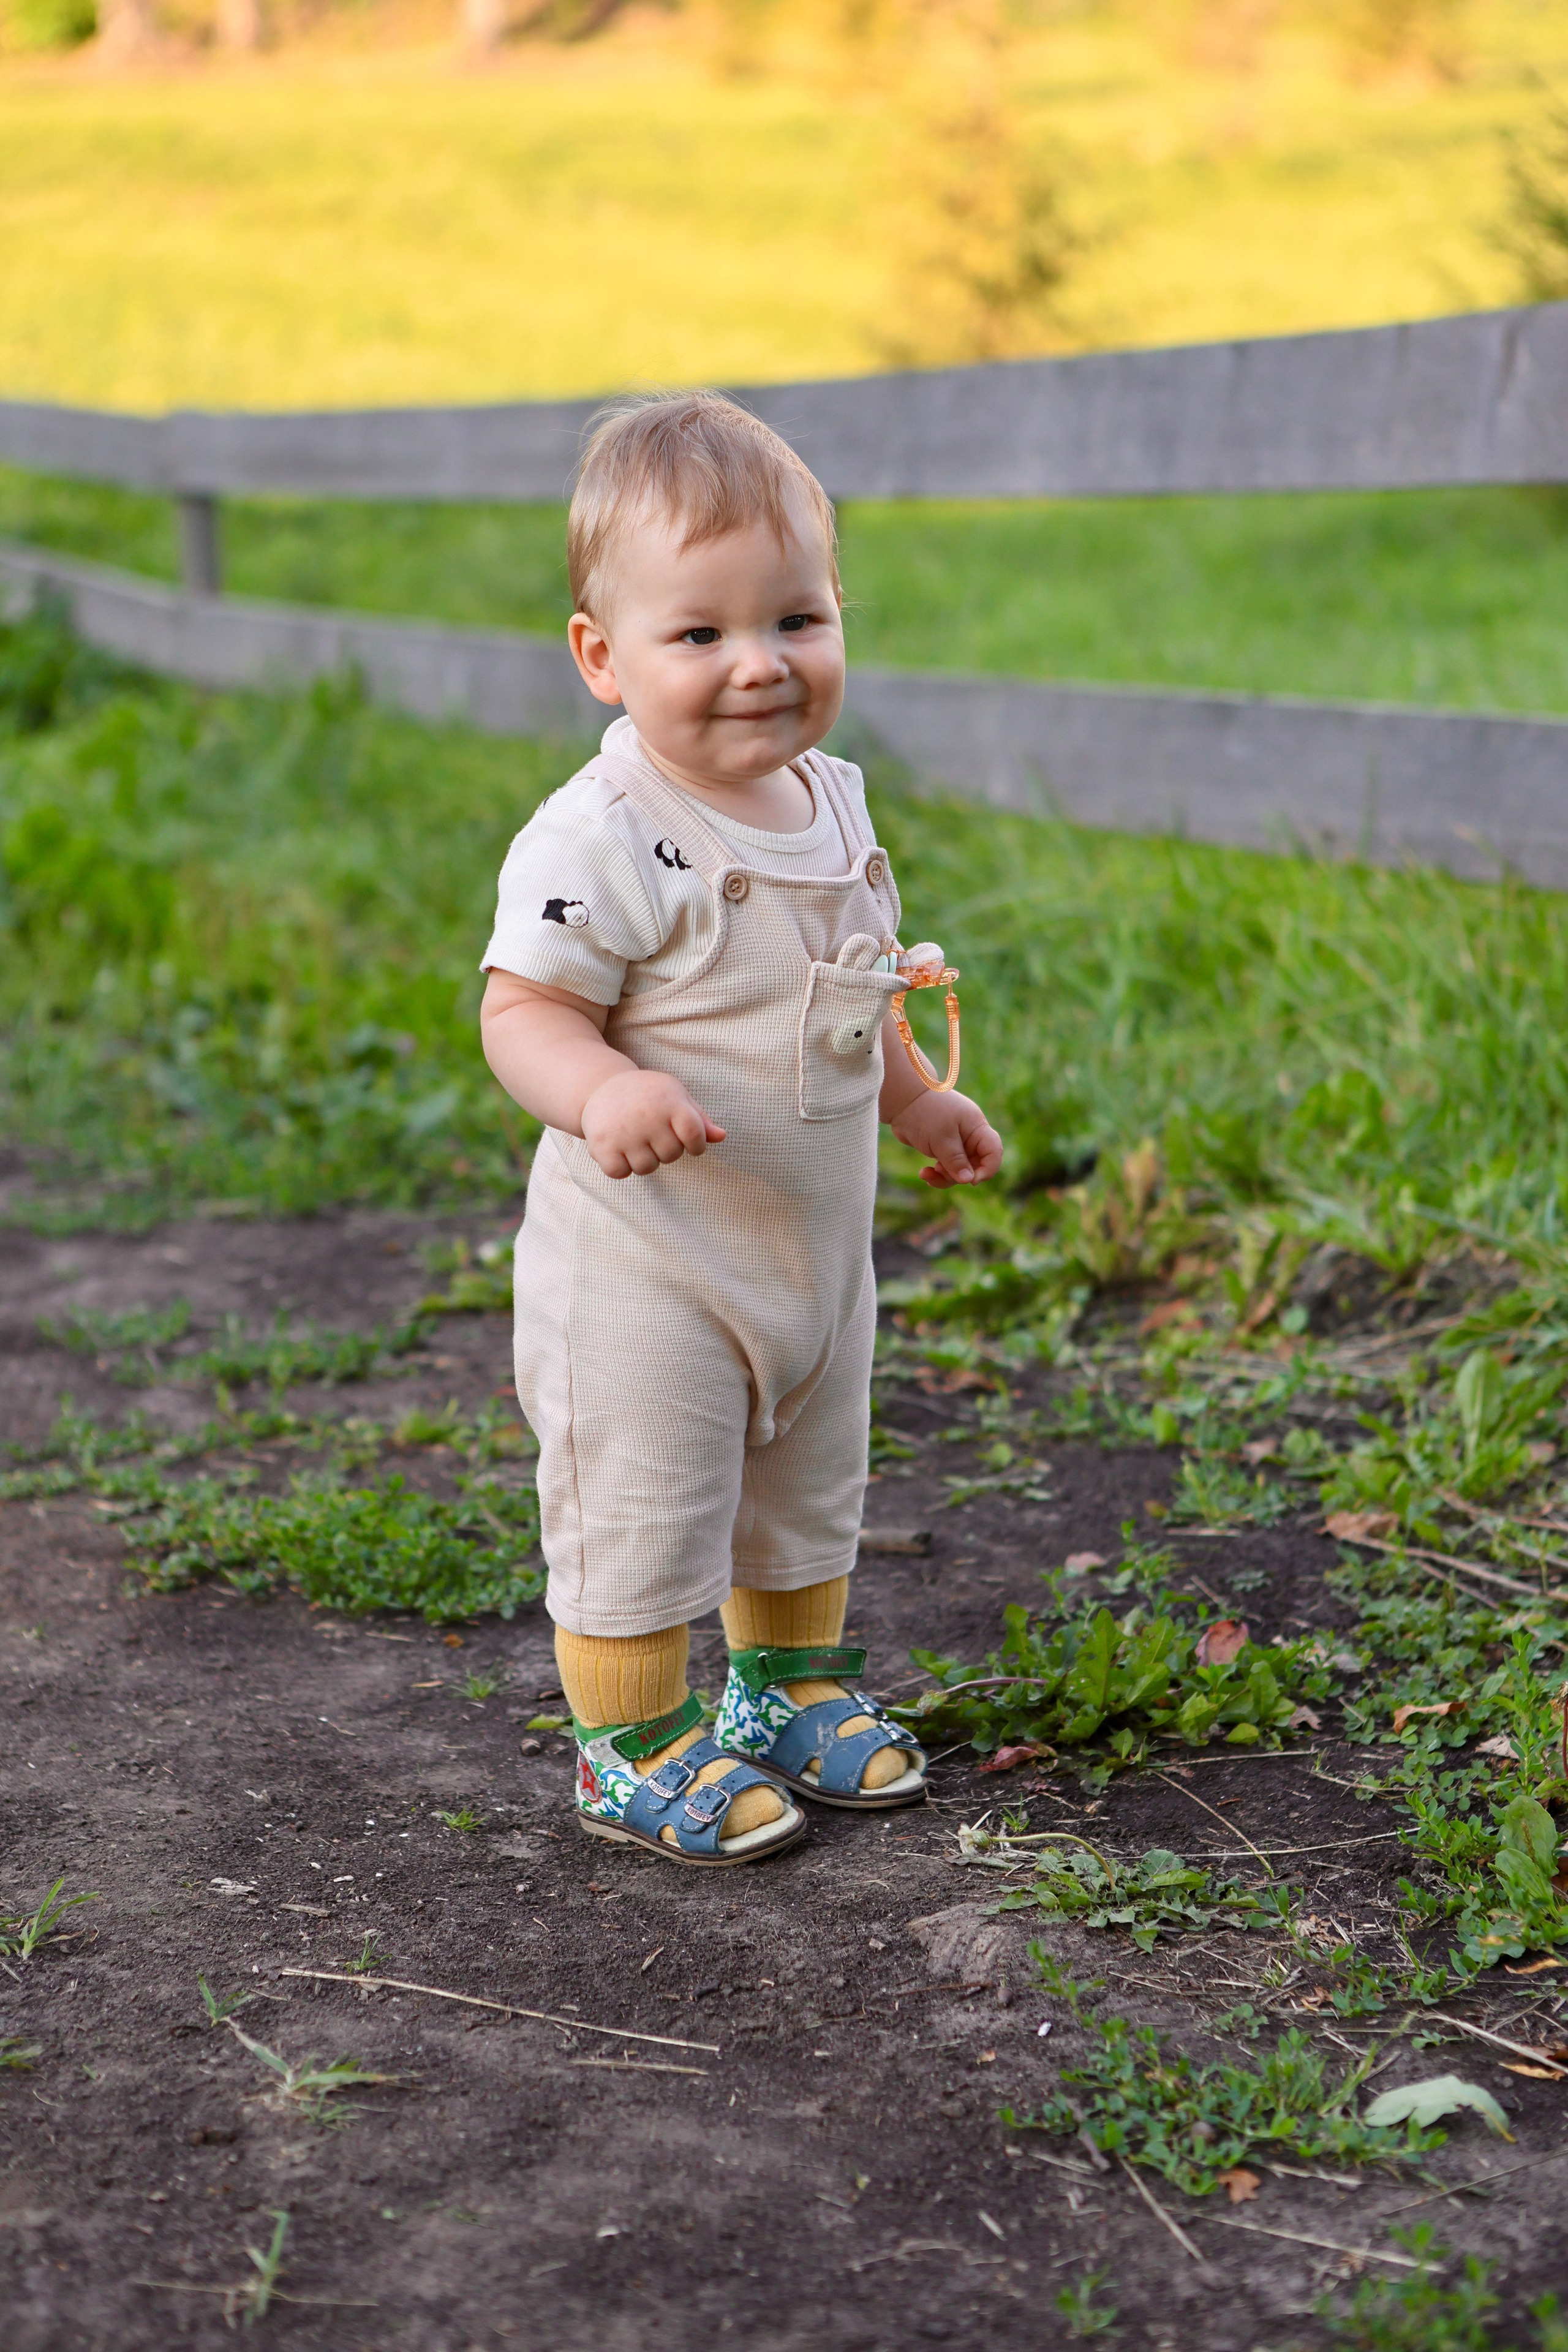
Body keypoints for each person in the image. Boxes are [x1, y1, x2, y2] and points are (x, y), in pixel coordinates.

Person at [480, 392, 1003, 1866]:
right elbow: (519, 1012)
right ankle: (631, 1743)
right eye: (697, 634)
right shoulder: (603, 834)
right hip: (650, 1264)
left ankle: (782, 1689)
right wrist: (600, 1088)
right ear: (603, 657)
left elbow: (852, 997)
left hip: (809, 1254)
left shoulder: (832, 804)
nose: (758, 664)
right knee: (646, 1498)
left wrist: (916, 1097)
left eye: (797, 618)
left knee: (803, 1485)